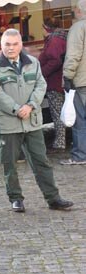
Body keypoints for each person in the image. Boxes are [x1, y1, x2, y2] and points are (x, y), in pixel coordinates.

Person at [0, 28, 74, 212]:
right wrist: (16, 109)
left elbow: (41, 85)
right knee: (9, 164)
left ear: (21, 45)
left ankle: (53, 198)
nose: (11, 48)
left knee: (41, 161)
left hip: (32, 122)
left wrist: (31, 105)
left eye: (15, 44)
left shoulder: (33, 62)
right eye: (7, 44)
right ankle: (16, 198)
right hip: (8, 124)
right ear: (1, 45)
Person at [61, 0, 86, 165]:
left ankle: (80, 155)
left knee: (79, 120)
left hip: (82, 80)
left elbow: (74, 55)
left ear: (78, 10)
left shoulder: (78, 27)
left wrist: (67, 76)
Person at [38, 18, 68, 154]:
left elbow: (54, 61)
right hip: (64, 80)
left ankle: (60, 142)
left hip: (55, 81)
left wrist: (42, 73)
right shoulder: (64, 36)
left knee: (58, 113)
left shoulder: (54, 40)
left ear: (46, 27)